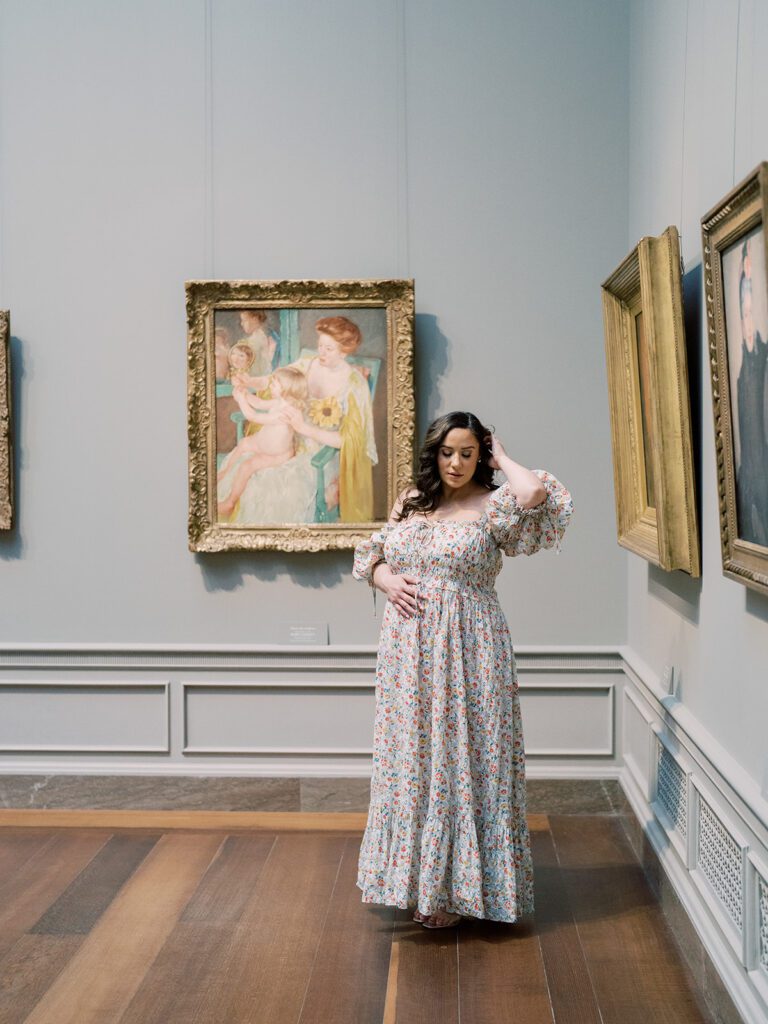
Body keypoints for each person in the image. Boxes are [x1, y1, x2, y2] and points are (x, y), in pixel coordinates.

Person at [352, 411, 574, 929]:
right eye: (448, 452)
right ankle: (416, 883)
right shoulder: (411, 500)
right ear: (434, 453)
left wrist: (503, 456)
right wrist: (385, 579)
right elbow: (373, 553)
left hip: (471, 649)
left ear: (481, 455)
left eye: (468, 453)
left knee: (465, 760)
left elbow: (536, 496)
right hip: (407, 654)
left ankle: (457, 892)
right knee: (413, 762)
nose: (456, 463)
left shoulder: (494, 505)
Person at [236, 315, 378, 521]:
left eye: (329, 349)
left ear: (344, 352)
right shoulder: (307, 365)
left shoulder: (355, 385)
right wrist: (249, 381)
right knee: (250, 472)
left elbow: (350, 441)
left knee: (280, 489)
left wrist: (305, 428)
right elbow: (274, 380)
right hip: (289, 446)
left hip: (323, 458)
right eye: (320, 345)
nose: (321, 352)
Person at [216, 366, 308, 520]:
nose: (270, 386)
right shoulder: (279, 402)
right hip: (262, 442)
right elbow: (258, 403)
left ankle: (230, 502)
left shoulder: (287, 412)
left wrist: (241, 401)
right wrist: (244, 394)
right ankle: (224, 472)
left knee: (247, 466)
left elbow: (253, 416)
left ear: (285, 390)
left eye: (274, 384)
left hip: (276, 454)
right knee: (244, 443)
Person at [734, 239, 768, 546]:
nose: (747, 318)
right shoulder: (742, 372)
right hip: (748, 487)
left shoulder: (764, 361)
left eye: (751, 305)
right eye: (743, 309)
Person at [235, 310, 280, 377]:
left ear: (254, 320)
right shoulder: (263, 336)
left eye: (244, 320)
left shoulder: (257, 339)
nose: (241, 323)